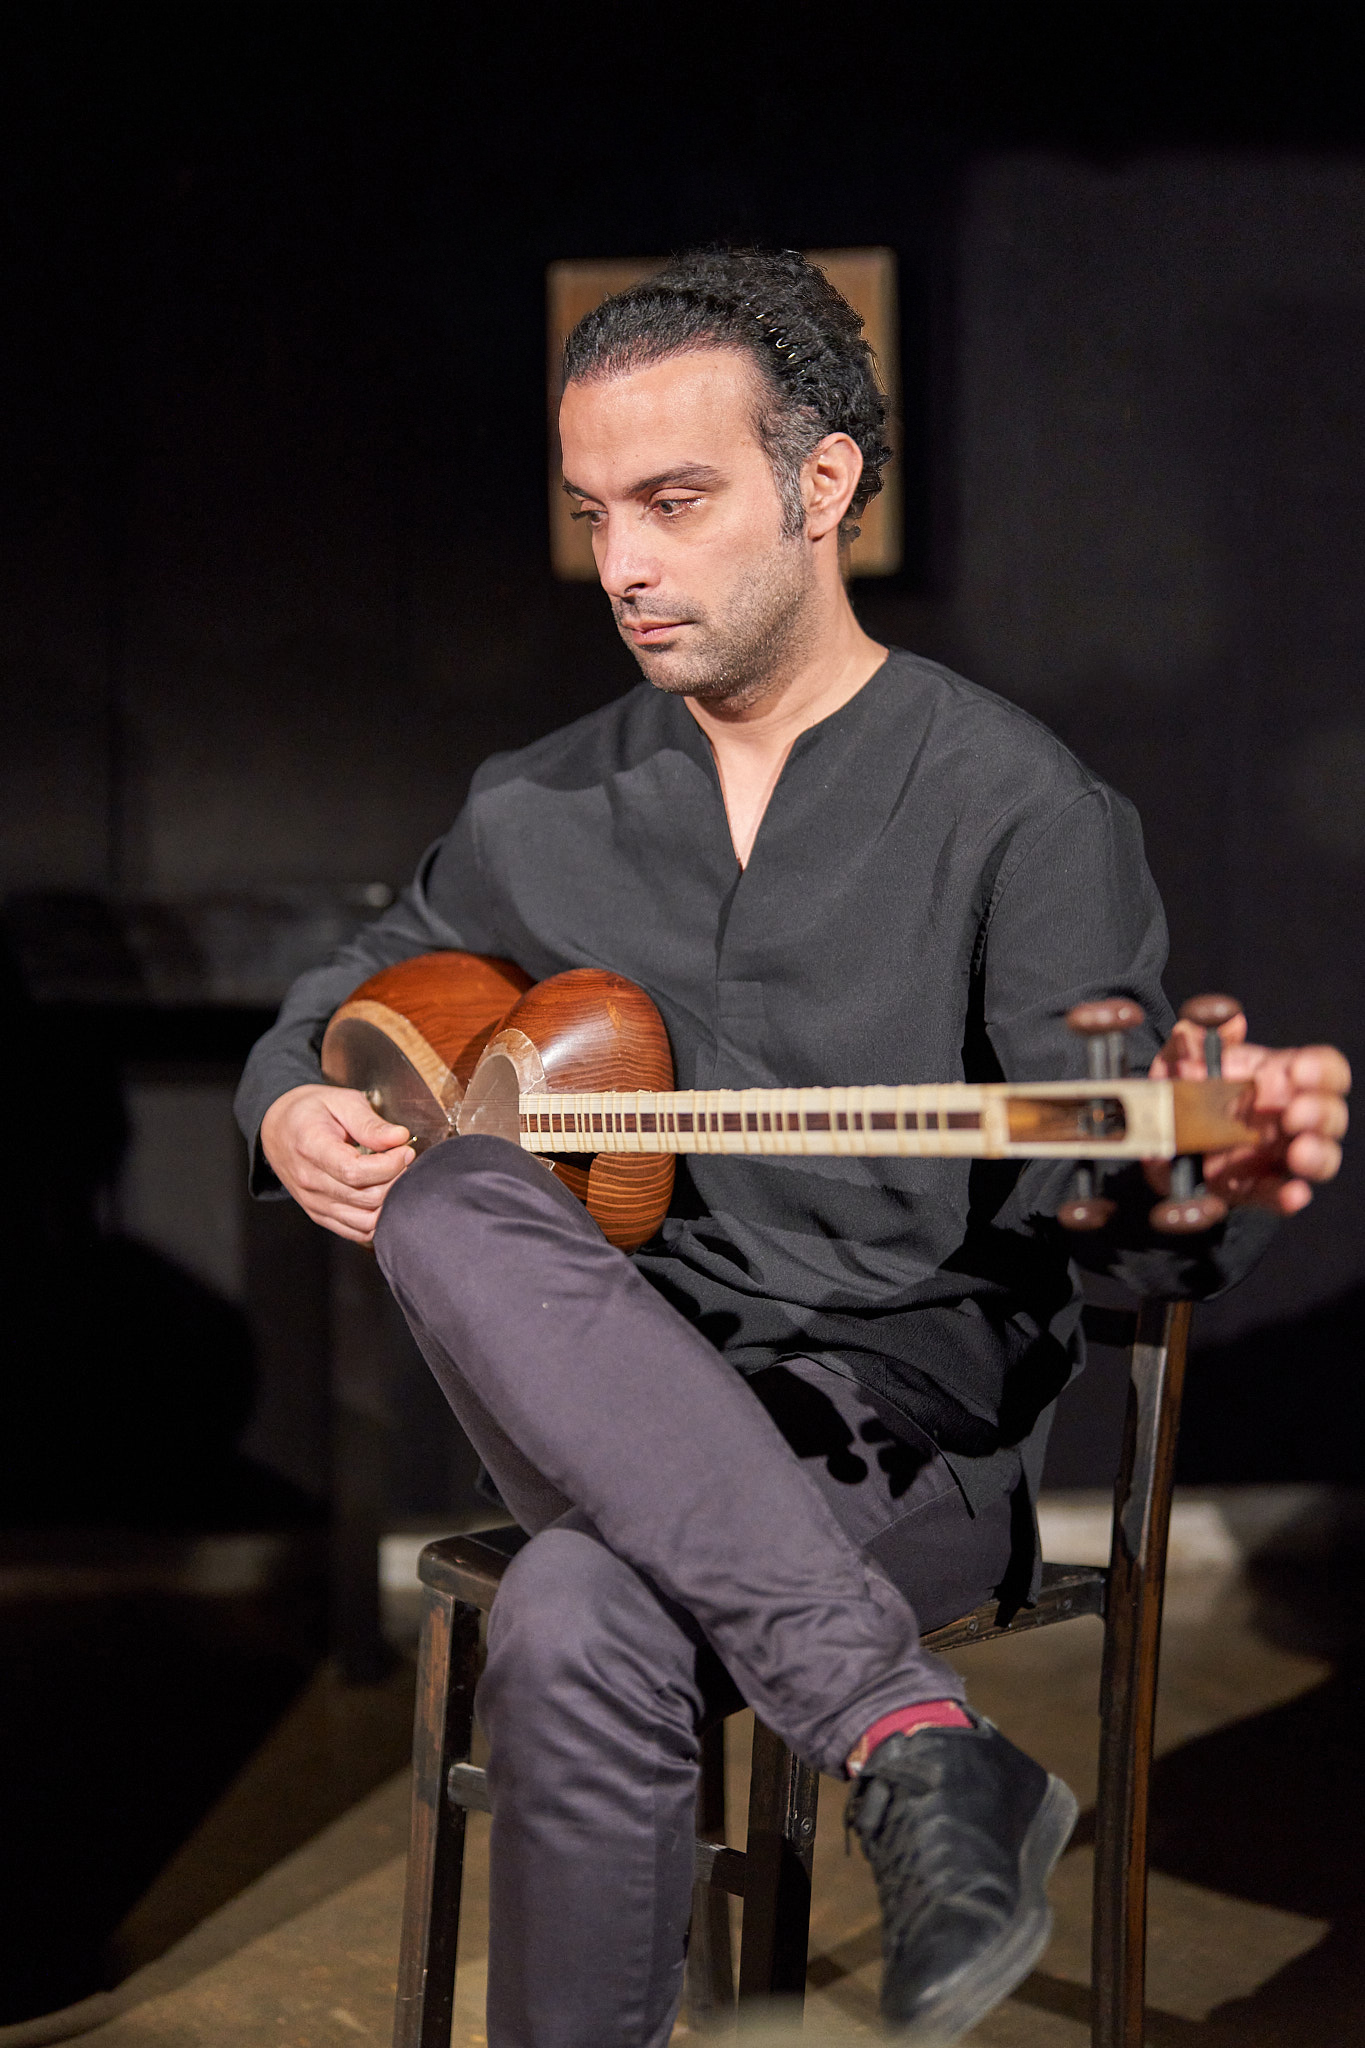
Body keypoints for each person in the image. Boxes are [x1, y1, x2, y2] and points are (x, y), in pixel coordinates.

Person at [236, 249, 1350, 2046]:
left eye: (673, 502)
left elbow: (1108, 1191)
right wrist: (292, 1099)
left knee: (577, 1614)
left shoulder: (1017, 807)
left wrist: (1192, 1189)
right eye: (593, 511)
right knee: (451, 1194)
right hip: (604, 1391)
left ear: (821, 484)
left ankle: (892, 1731)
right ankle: (911, 1742)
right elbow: (333, 1006)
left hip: (893, 1434)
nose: (622, 562)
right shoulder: (535, 805)